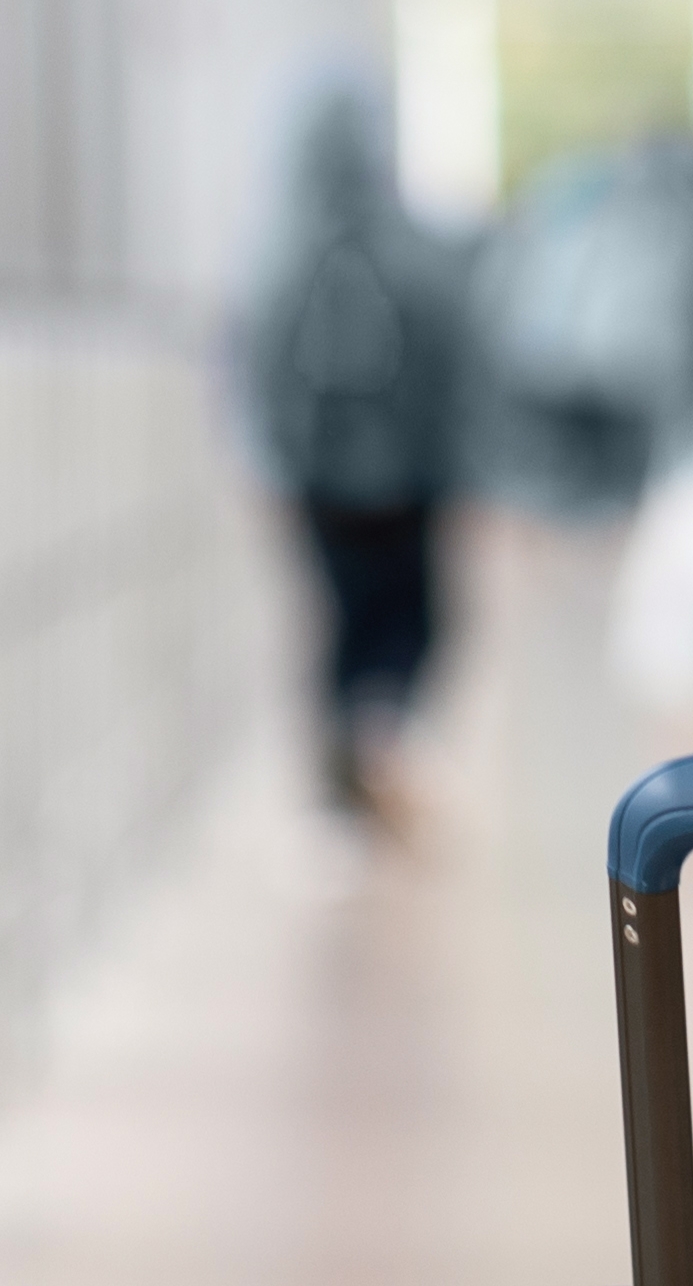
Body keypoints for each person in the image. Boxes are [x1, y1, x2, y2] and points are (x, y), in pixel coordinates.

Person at [237, 70, 473, 831]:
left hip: (320, 483)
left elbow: (257, 364)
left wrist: (274, 461)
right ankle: (385, 732)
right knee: (409, 619)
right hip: (409, 481)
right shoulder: (415, 248)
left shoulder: (280, 254)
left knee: (338, 622)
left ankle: (340, 792)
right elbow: (454, 358)